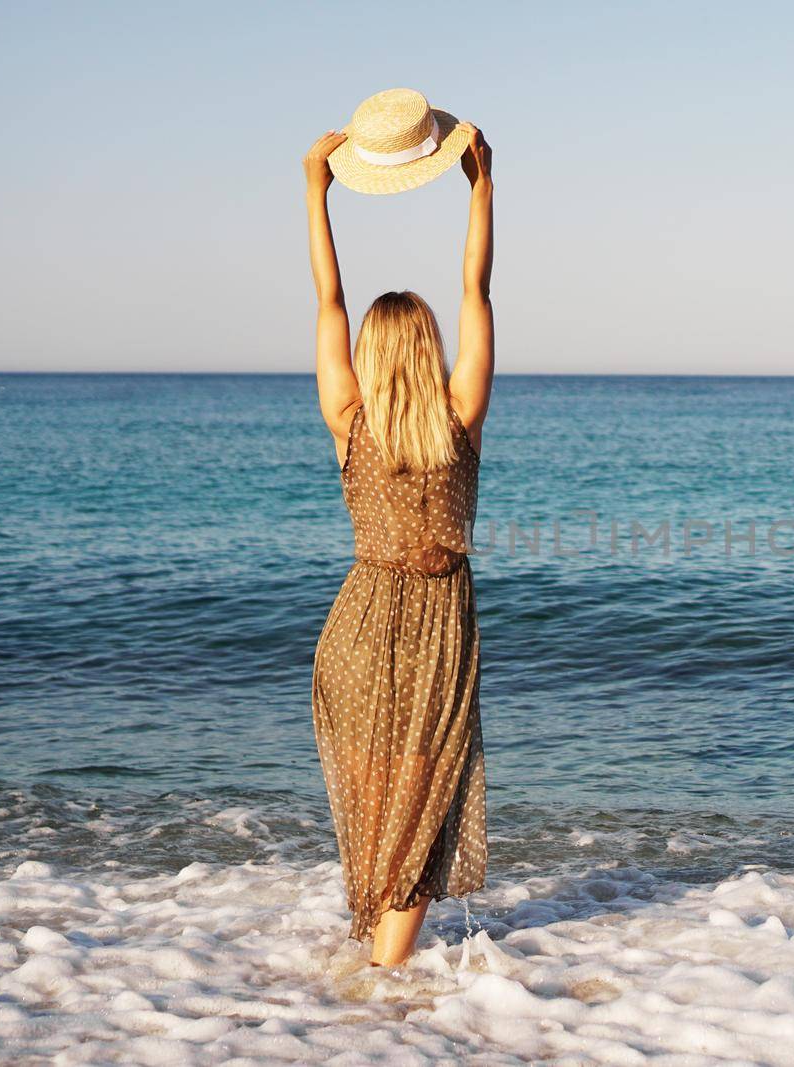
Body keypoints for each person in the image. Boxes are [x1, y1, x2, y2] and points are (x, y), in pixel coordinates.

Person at [301, 119, 494, 968]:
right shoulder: (459, 417)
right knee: (423, 800)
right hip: (437, 625)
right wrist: (482, 186)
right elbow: (477, 290)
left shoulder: (348, 422)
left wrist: (316, 189)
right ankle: (383, 989)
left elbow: (329, 302)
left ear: (371, 356)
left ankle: (376, 985)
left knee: (386, 802)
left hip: (357, 623)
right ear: (428, 349)